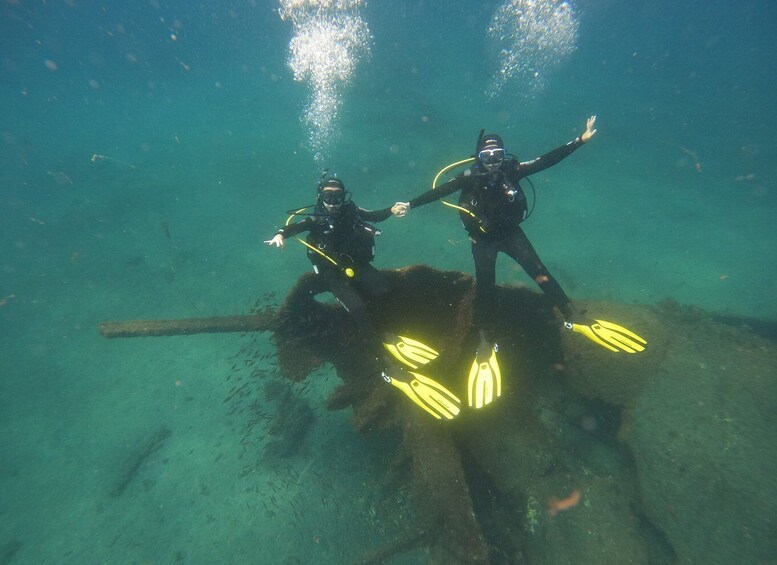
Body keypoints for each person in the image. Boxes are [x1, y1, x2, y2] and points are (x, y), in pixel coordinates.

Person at [392, 117, 646, 409]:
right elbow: (439, 192)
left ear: (504, 155)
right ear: (480, 157)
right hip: (483, 241)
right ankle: (485, 341)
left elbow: (547, 160)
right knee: (485, 289)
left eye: (497, 156)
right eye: (487, 157)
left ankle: (572, 315)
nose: (493, 162)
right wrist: (410, 204)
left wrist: (579, 141)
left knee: (540, 273)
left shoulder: (513, 170)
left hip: (512, 234)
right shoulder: (469, 177)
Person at [266, 173, 462, 420]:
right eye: (328, 197)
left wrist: (392, 209)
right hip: (332, 274)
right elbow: (295, 227)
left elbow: (374, 215)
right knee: (357, 309)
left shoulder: (351, 211)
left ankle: (386, 333)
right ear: (320, 197)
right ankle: (381, 358)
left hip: (355, 265)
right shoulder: (314, 218)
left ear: (343, 197)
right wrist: (281, 234)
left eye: (337, 197)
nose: (333, 202)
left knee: (383, 289)